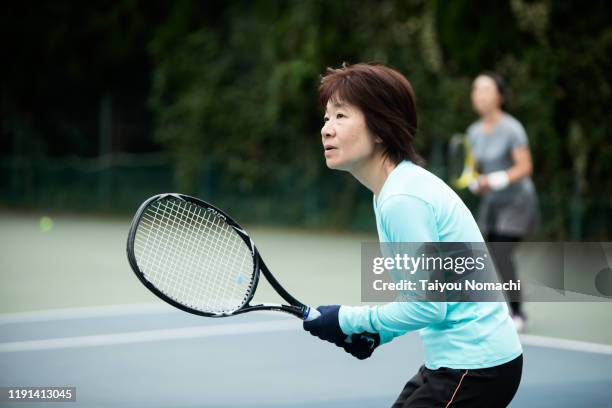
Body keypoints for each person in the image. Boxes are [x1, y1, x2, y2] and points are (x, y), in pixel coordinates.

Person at [303, 63, 523, 408]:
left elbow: (427, 306)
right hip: (459, 363)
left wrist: (348, 319)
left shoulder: (401, 200)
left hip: (474, 367)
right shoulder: (395, 189)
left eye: (341, 116)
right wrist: (377, 333)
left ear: (379, 129)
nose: (326, 130)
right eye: (327, 117)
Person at [467, 72, 539, 331]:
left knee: (501, 253)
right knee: (488, 256)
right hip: (493, 205)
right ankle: (503, 301)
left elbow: (525, 167)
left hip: (518, 202)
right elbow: (474, 169)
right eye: (476, 90)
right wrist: (476, 181)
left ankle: (518, 314)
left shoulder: (512, 128)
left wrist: (496, 179)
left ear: (499, 96)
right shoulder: (473, 132)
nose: (480, 95)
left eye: (486, 90)